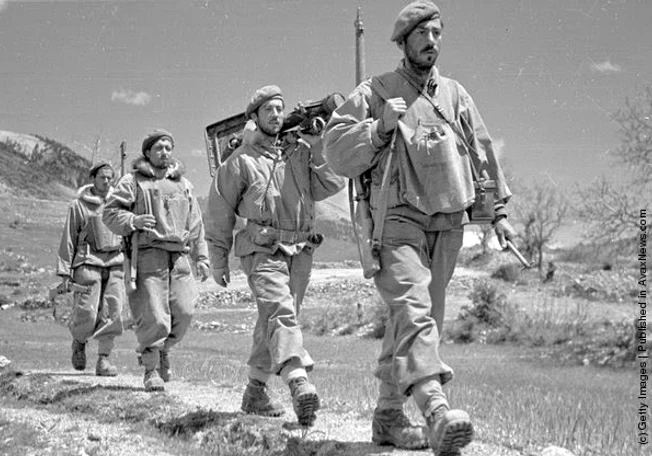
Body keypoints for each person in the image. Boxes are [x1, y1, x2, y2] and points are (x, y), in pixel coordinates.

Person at [322, 2, 517, 455]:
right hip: (396, 221)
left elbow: (481, 152)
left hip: (447, 222)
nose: (431, 41)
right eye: (422, 33)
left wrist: (498, 215)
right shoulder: (375, 90)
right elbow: (335, 153)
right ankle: (436, 410)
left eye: (437, 33)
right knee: (414, 311)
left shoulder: (455, 93)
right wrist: (377, 129)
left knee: (413, 319)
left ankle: (388, 417)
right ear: (404, 41)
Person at [205, 85, 344, 427]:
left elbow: (331, 185)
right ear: (254, 117)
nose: (276, 114)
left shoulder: (297, 154)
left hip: (300, 249)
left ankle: (255, 391)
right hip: (261, 249)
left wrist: (318, 148)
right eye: (268, 109)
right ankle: (298, 382)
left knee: (275, 318)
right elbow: (219, 212)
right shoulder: (240, 162)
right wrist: (219, 260)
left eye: (280, 108)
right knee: (281, 313)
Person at [103, 129, 210, 392]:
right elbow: (110, 213)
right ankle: (151, 369)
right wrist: (133, 221)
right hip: (148, 255)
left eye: (168, 147)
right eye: (159, 148)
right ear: (148, 152)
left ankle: (164, 349)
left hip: (180, 256)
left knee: (184, 312)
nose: (164, 152)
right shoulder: (132, 181)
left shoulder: (183, 184)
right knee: (154, 316)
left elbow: (196, 224)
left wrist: (202, 257)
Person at [57, 162, 125, 377]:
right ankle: (79, 342)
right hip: (87, 263)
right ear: (93, 179)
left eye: (110, 178)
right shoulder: (78, 205)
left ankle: (104, 360)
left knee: (112, 310)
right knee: (86, 310)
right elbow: (69, 237)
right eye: (102, 177)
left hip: (115, 262)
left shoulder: (121, 204)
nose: (107, 182)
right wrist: (65, 271)